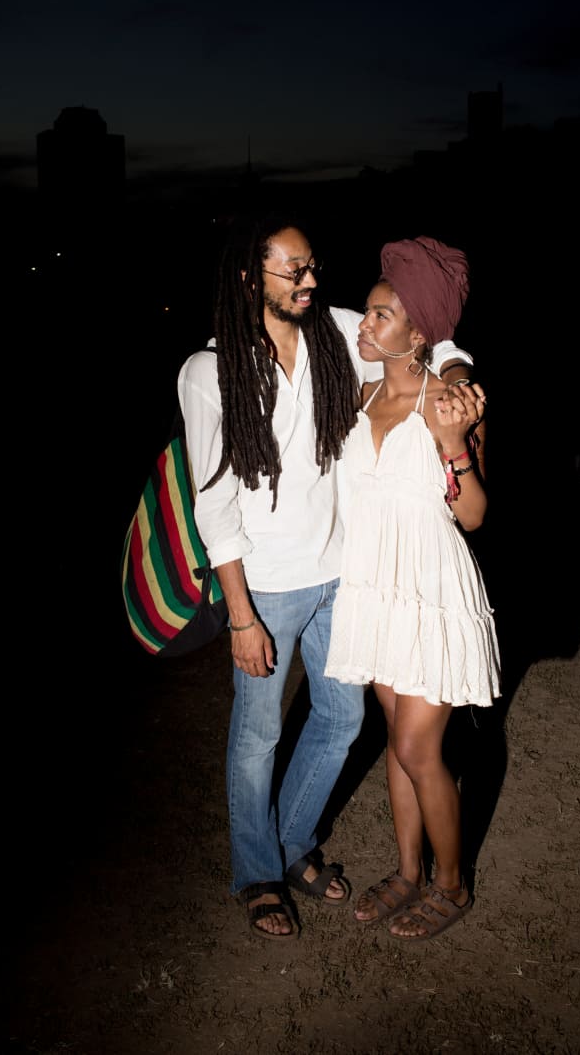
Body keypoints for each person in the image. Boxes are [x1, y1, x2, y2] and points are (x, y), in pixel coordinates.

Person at [178, 213, 475, 941]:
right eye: (294, 270)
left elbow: (425, 333)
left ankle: (290, 845)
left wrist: (460, 376)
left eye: (314, 267)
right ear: (252, 278)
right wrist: (240, 614)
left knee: (341, 722)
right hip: (269, 586)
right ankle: (257, 874)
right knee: (256, 738)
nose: (312, 281)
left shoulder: (334, 334)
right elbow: (212, 501)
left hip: (343, 575)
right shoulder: (206, 372)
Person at [325, 235, 501, 940]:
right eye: (366, 314)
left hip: (429, 590)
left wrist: (457, 443)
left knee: (418, 748)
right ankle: (407, 872)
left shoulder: (450, 403)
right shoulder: (361, 393)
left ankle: (452, 886)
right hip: (375, 588)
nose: (363, 326)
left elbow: (476, 514)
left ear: (418, 332)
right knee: (397, 740)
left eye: (377, 316)